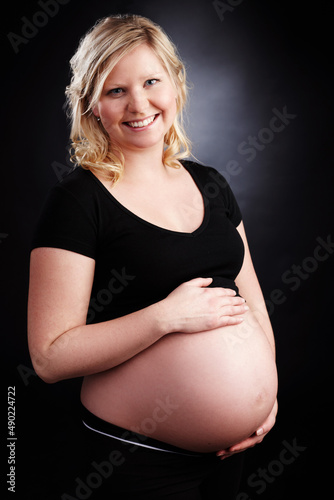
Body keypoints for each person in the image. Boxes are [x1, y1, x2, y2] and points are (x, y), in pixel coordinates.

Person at [28, 14, 278, 499]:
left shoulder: (211, 184)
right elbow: (50, 356)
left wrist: (267, 399)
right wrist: (166, 317)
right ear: (90, 104)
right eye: (115, 90)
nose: (138, 104)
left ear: (176, 85)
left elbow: (255, 303)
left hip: (234, 451)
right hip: (136, 458)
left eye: (150, 81)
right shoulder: (79, 201)